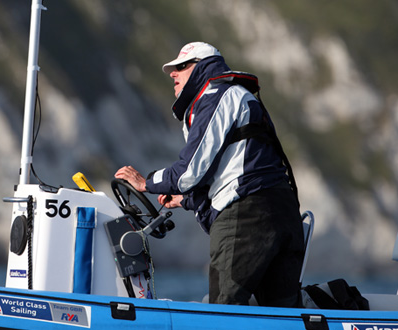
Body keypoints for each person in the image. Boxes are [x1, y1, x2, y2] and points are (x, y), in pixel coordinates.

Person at [115, 42, 304, 307]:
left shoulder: (216, 95)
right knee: (281, 314)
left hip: (249, 216)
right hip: (281, 212)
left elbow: (190, 172)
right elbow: (237, 168)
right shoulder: (235, 96)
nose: (172, 73)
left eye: (181, 66)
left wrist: (146, 183)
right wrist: (185, 200)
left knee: (222, 309)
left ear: (203, 68)